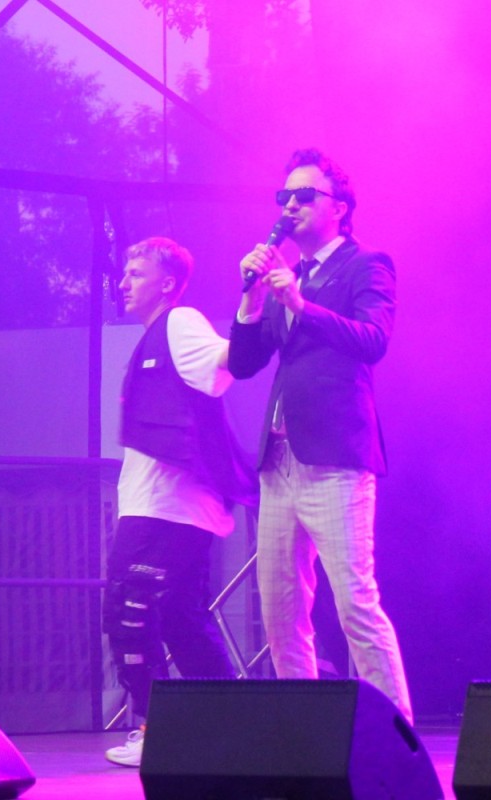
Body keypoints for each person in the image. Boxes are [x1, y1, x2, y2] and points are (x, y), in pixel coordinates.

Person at [227, 148, 412, 723]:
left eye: (304, 195)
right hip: (280, 462)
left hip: (334, 458)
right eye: (284, 196)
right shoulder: (290, 275)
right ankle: (302, 734)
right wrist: (252, 297)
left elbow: (373, 340)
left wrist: (299, 304)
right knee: (281, 609)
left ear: (340, 207)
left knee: (355, 601)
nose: (291, 205)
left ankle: (397, 733)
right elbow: (243, 364)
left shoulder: (366, 264)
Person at [104, 237, 258, 767]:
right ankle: (229, 731)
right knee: (180, 618)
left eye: (136, 273)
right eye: (125, 272)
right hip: (169, 506)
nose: (124, 282)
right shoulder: (155, 334)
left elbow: (225, 367)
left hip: (167, 508)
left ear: (167, 283)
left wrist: (251, 306)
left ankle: (159, 732)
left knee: (129, 612)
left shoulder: (179, 321)